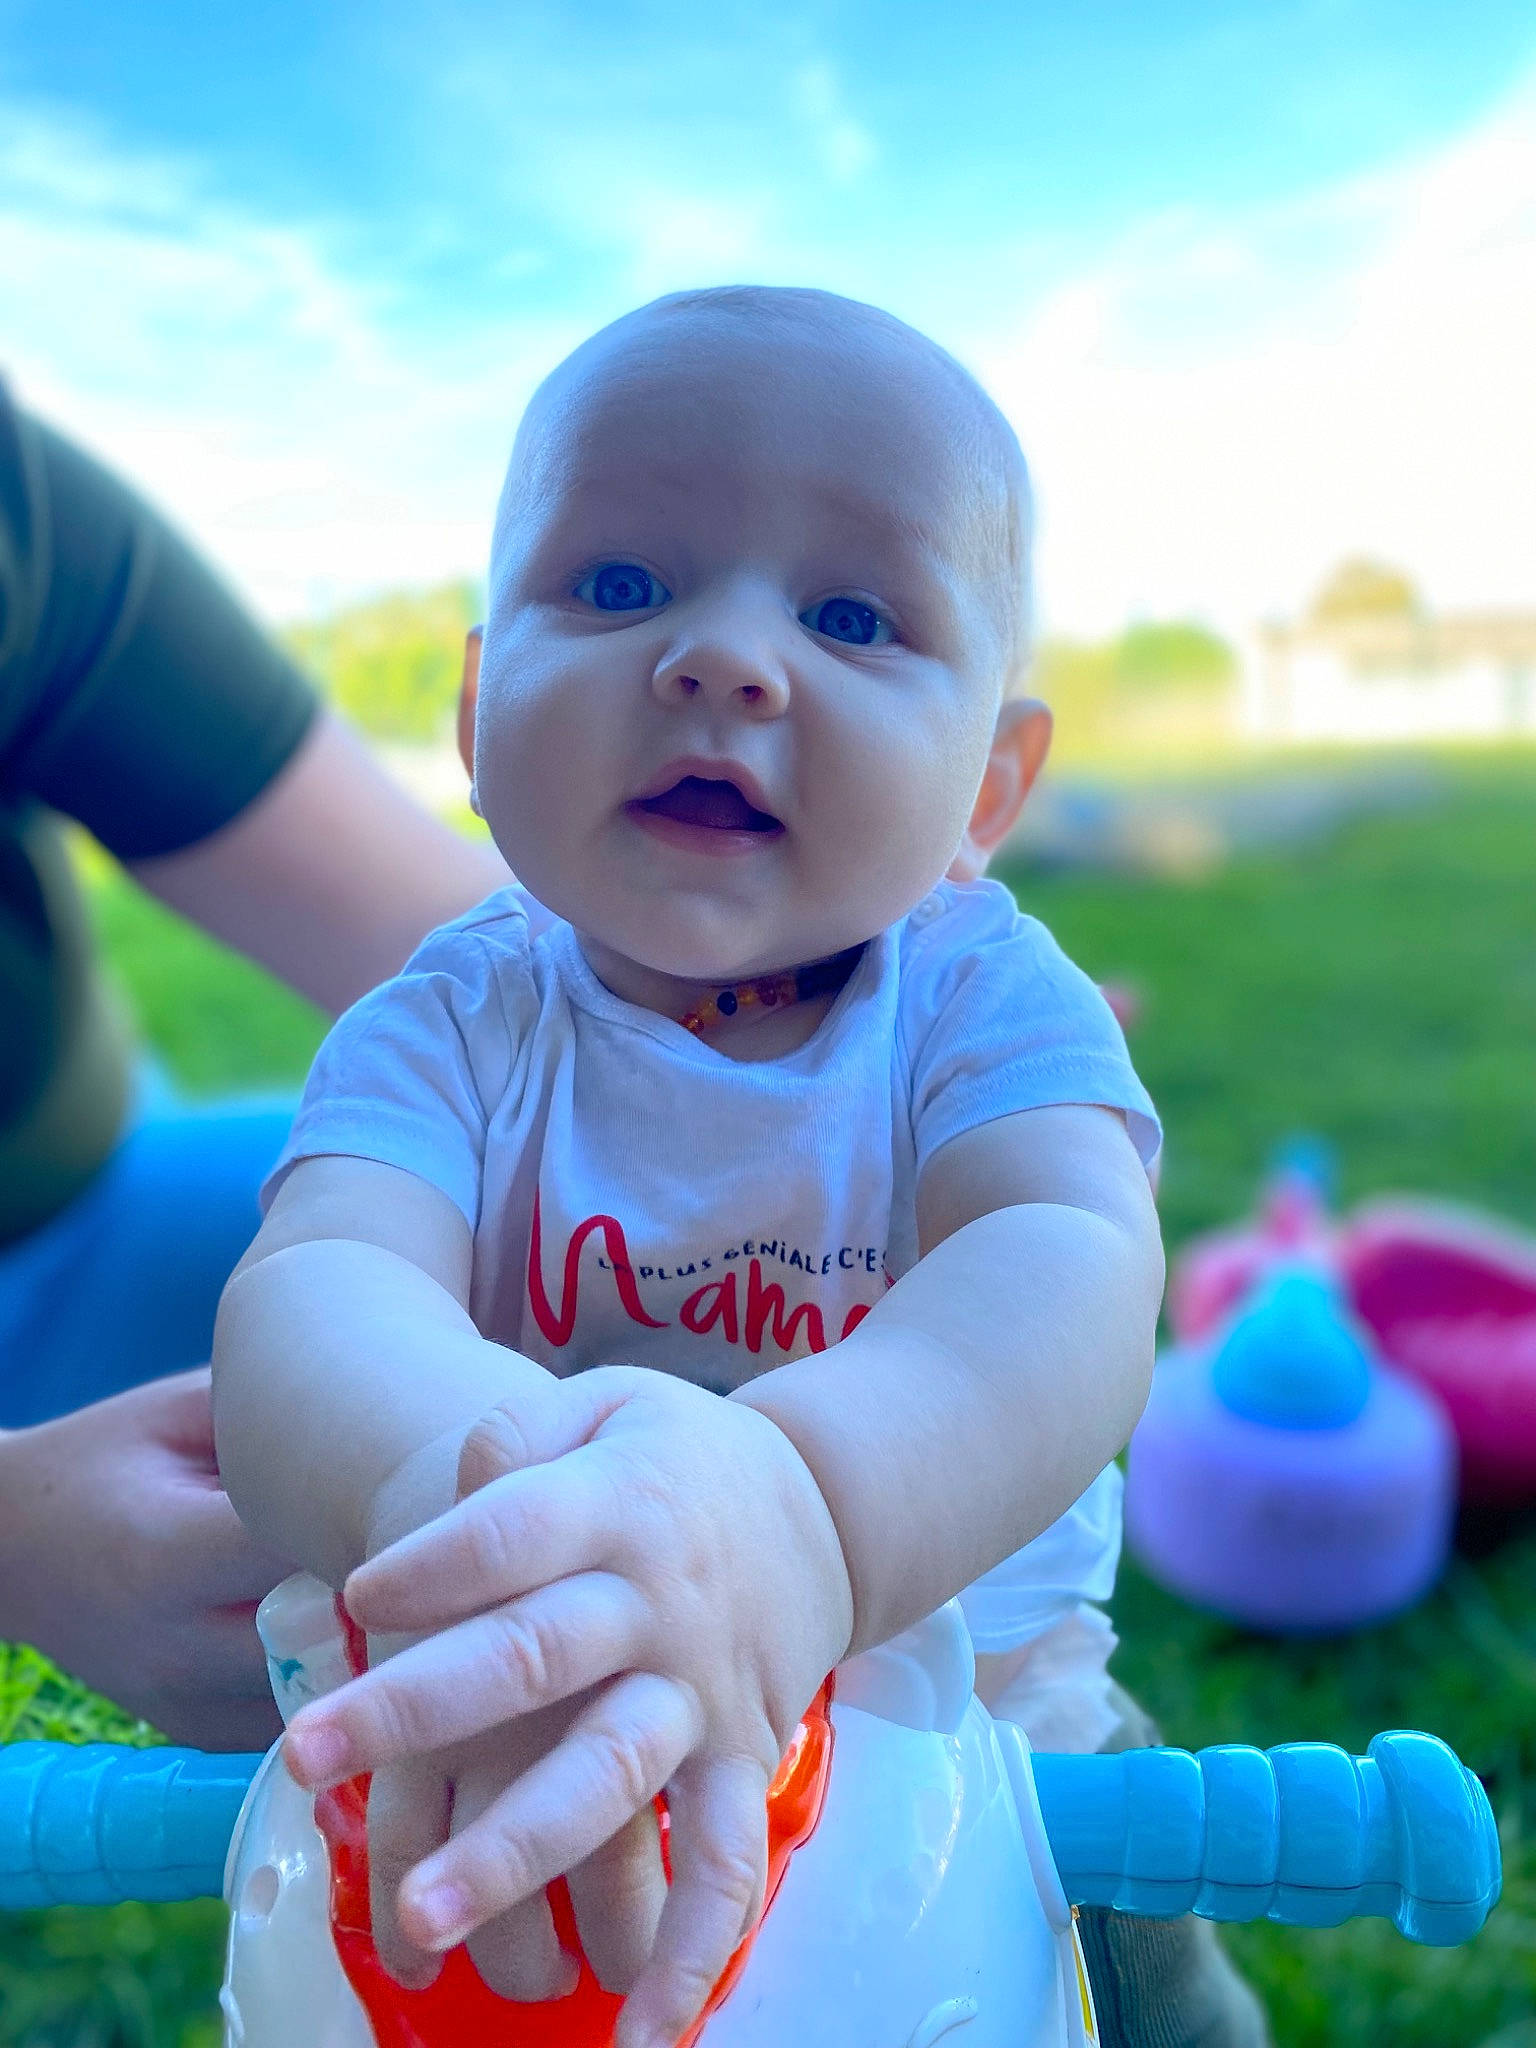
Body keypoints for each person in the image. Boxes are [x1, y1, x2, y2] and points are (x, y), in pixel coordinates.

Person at [213, 287, 1265, 2048]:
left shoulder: (987, 1005)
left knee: (1151, 1980)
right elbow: (320, 1289)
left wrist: (798, 1512)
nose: (723, 659)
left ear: (990, 786)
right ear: (478, 718)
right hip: (534, 1735)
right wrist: (473, 1513)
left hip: (978, 1735)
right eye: (619, 585)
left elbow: (1070, 1265)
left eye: (852, 614)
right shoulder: (450, 1028)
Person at [0, 390, 508, 1748]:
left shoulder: (15, 510)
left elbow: (466, 961)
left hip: (94, 1216)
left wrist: (840, 1033)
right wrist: (15, 1541)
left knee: (584, 1254)